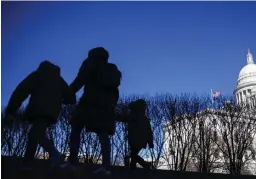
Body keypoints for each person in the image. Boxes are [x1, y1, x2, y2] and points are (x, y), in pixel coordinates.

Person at [5, 60, 76, 171]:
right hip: (52, 113)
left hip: (37, 109)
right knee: (36, 134)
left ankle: (50, 155)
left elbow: (21, 91)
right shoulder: (59, 80)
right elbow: (71, 98)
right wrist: (60, 100)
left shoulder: (37, 75)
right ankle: (40, 160)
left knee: (35, 134)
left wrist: (11, 110)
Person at [61, 47, 121, 175]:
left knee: (76, 128)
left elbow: (80, 80)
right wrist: (111, 105)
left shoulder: (90, 63)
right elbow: (115, 91)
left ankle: (72, 162)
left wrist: (67, 94)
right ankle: (106, 167)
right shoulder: (112, 70)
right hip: (105, 106)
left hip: (88, 102)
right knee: (103, 133)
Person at [125, 99, 154, 170]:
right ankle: (141, 166)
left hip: (136, 140)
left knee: (133, 154)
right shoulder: (142, 118)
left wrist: (150, 142)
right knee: (133, 155)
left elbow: (149, 132)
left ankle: (144, 165)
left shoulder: (135, 116)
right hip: (138, 140)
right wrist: (150, 143)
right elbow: (149, 132)